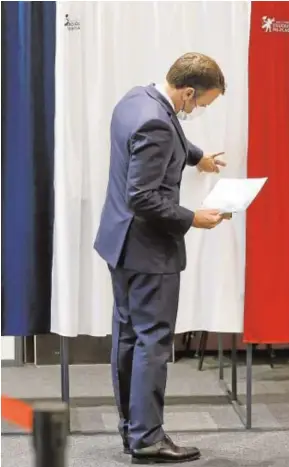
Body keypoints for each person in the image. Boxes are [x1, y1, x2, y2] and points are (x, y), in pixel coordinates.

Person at [94, 52, 229, 464]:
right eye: (202, 104)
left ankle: (133, 430)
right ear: (187, 92)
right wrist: (194, 219)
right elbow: (143, 195)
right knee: (152, 342)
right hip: (149, 251)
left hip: (120, 243)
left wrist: (197, 156)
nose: (198, 111)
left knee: (129, 337)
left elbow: (167, 135)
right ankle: (148, 438)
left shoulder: (137, 99)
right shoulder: (156, 120)